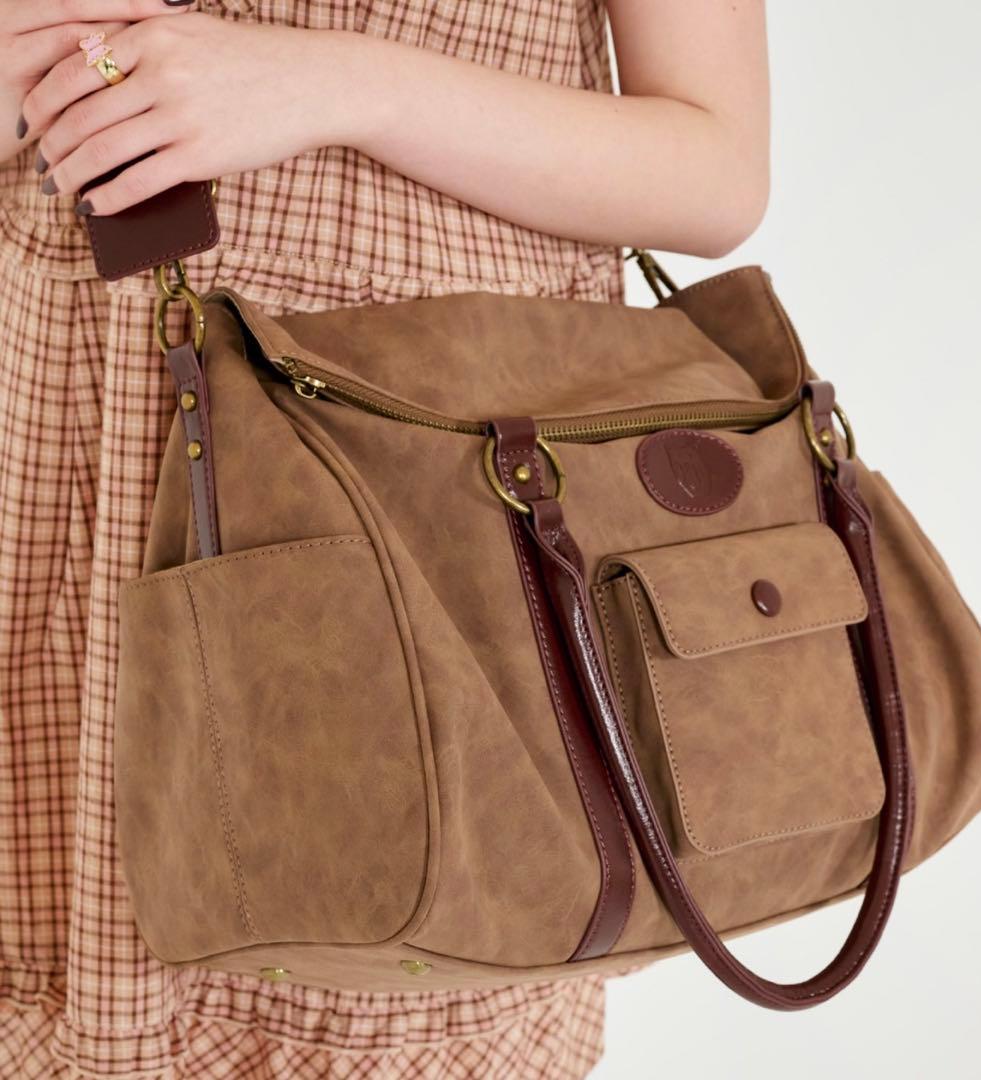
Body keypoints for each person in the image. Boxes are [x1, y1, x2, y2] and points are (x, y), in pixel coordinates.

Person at [0, 1, 769, 1075]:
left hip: (423, 455)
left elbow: (718, 168)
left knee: (384, 954)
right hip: (62, 426)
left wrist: (338, 84)